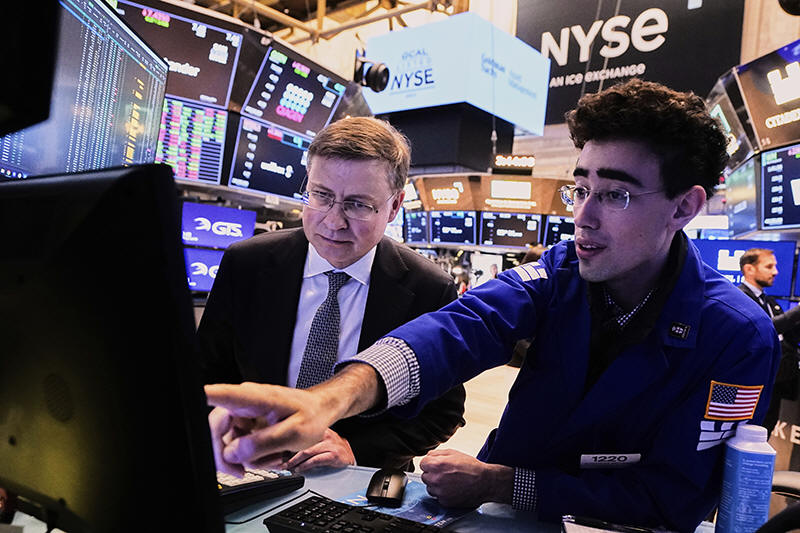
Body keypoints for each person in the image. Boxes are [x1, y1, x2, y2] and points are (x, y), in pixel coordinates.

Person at [204, 79, 780, 530]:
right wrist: (327, 401)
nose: (582, 217)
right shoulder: (560, 271)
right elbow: (460, 328)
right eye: (581, 188)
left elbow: (673, 498)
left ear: (685, 207)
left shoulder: (736, 335)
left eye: (616, 195)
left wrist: (503, 483)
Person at [198, 116, 465, 472]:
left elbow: (444, 412)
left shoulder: (429, 289)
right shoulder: (246, 263)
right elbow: (206, 372)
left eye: (358, 204)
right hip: (251, 467)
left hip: (358, 478)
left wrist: (356, 450)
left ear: (394, 206)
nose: (334, 221)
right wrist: (223, 421)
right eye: (321, 196)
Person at [738, 248, 800, 432]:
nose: (775, 272)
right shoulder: (739, 298)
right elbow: (763, 328)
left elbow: (787, 334)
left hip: (776, 381)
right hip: (752, 383)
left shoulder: (770, 301)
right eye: (769, 266)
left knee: (766, 430)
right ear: (749, 269)